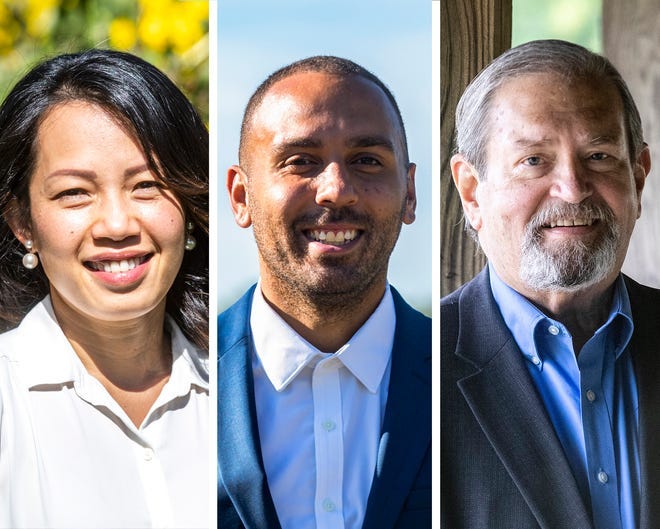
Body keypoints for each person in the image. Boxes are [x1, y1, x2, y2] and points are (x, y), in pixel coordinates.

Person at [442, 39, 659, 529]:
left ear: (638, 179)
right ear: (472, 192)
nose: (573, 188)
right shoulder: (413, 371)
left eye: (599, 155)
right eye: (534, 160)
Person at [218, 56, 431, 529]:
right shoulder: (181, 378)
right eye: (301, 161)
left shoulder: (464, 376)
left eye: (367, 160)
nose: (336, 190)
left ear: (410, 193)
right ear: (240, 197)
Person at [0, 49, 209, 528]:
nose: (117, 224)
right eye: (74, 192)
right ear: (22, 223)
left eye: (147, 185)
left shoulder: (240, 393)